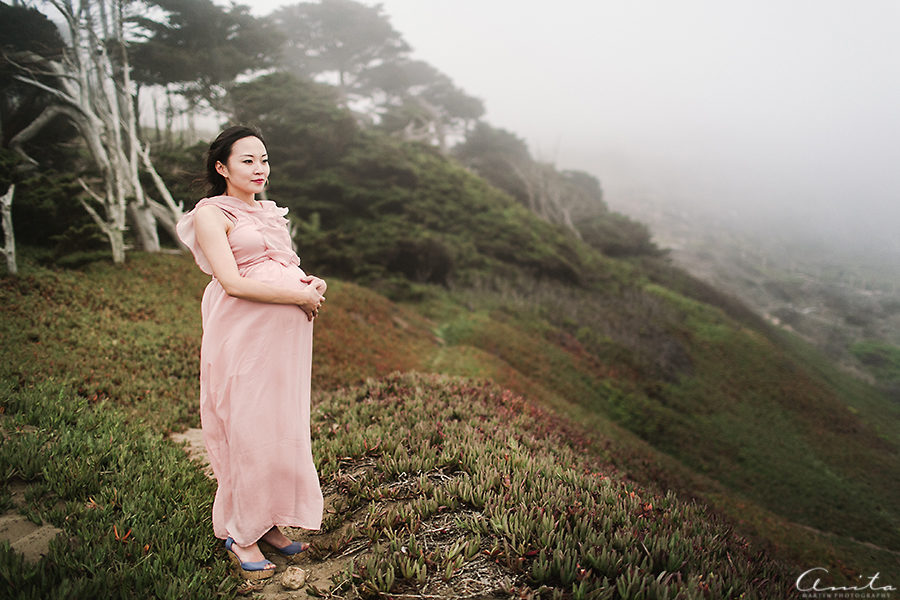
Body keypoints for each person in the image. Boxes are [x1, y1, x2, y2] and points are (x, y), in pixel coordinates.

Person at [176, 126, 326, 580]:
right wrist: (297, 298)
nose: (259, 168)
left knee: (280, 423)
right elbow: (233, 282)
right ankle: (240, 533)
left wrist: (310, 284)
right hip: (241, 333)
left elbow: (283, 266)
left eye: (263, 159)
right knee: (246, 426)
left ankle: (268, 522)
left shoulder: (269, 212)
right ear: (221, 168)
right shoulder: (211, 214)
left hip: (284, 340)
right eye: (247, 160)